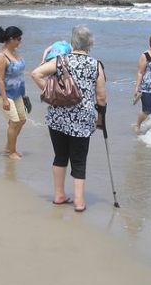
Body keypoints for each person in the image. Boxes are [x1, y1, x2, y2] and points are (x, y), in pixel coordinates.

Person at [31, 25, 107, 212]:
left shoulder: (60, 60)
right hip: (83, 119)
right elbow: (101, 97)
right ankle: (79, 202)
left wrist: (51, 92)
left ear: (72, 42)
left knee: (60, 156)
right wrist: (100, 118)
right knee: (79, 161)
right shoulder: (96, 65)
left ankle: (59, 195)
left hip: (58, 116)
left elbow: (36, 73)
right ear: (90, 44)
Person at [0, 26, 27, 160]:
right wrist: (5, 99)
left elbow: (20, 76)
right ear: (11, 39)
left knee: (22, 120)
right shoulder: (1, 56)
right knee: (14, 121)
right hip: (3, 94)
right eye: (18, 39)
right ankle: (12, 152)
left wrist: (24, 94)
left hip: (17, 93)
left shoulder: (16, 53)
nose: (20, 41)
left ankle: (8, 147)